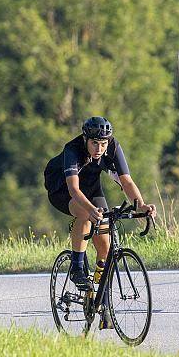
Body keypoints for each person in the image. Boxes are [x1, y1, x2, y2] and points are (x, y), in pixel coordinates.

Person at [47, 117, 157, 329]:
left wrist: (141, 205)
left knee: (105, 244)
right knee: (86, 216)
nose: (100, 148)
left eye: (103, 143)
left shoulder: (113, 147)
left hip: (91, 187)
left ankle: (100, 298)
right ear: (86, 139)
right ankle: (77, 268)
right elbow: (73, 190)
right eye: (95, 143)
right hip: (62, 188)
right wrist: (90, 210)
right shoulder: (73, 150)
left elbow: (126, 180)